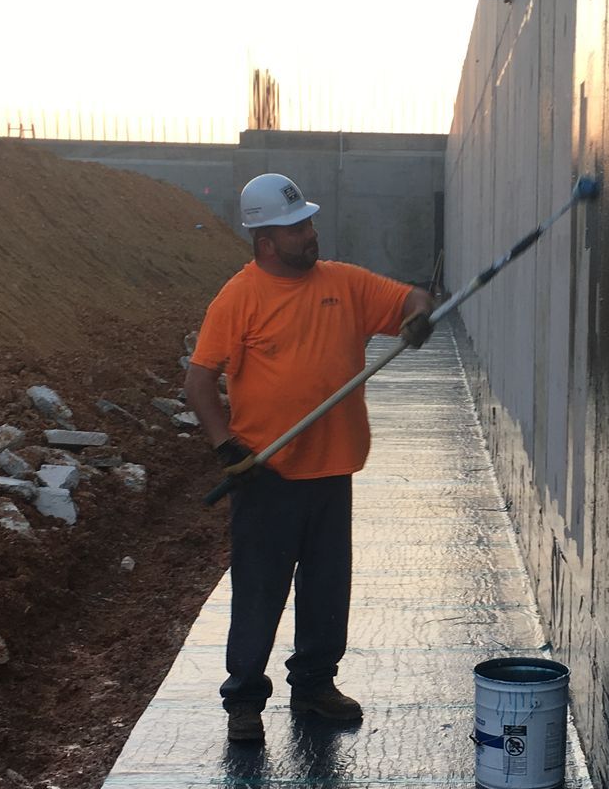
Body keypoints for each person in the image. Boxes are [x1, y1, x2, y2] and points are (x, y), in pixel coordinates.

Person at [184, 172, 433, 745]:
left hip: (331, 470)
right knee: (259, 591)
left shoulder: (344, 283)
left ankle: (315, 685)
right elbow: (198, 383)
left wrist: (418, 315)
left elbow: (411, 298)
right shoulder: (240, 297)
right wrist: (227, 447)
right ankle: (244, 699)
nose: (311, 233)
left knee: (326, 590)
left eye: (309, 222)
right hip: (266, 474)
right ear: (266, 240)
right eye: (297, 228)